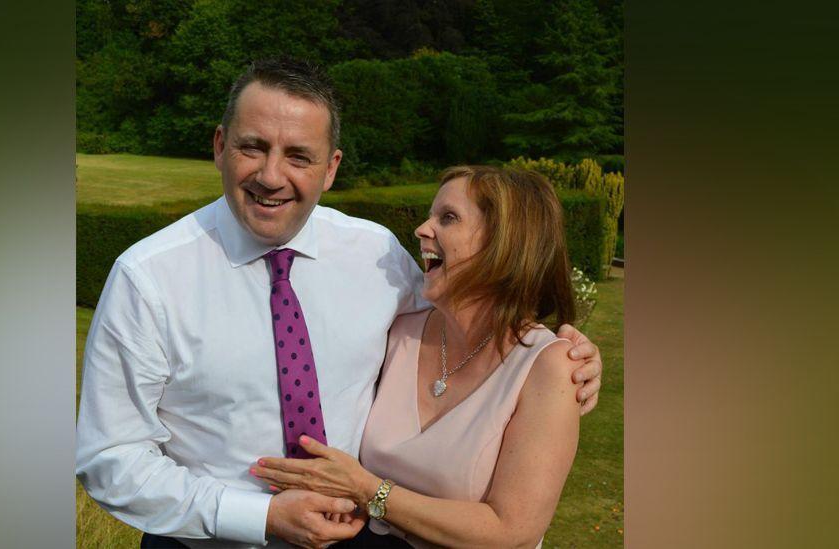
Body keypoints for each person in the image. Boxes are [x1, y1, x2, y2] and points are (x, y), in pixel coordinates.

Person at [75, 59, 603, 549]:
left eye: (299, 156)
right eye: (252, 147)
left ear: (331, 168)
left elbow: (473, 310)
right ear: (219, 145)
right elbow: (110, 458)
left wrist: (564, 361)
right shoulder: (148, 278)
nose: (271, 175)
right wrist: (255, 517)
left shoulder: (374, 254)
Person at [252, 166, 585, 548]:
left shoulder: (550, 365)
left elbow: (511, 529)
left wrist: (368, 490)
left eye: (448, 218)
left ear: (505, 242)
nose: (422, 230)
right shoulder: (401, 329)